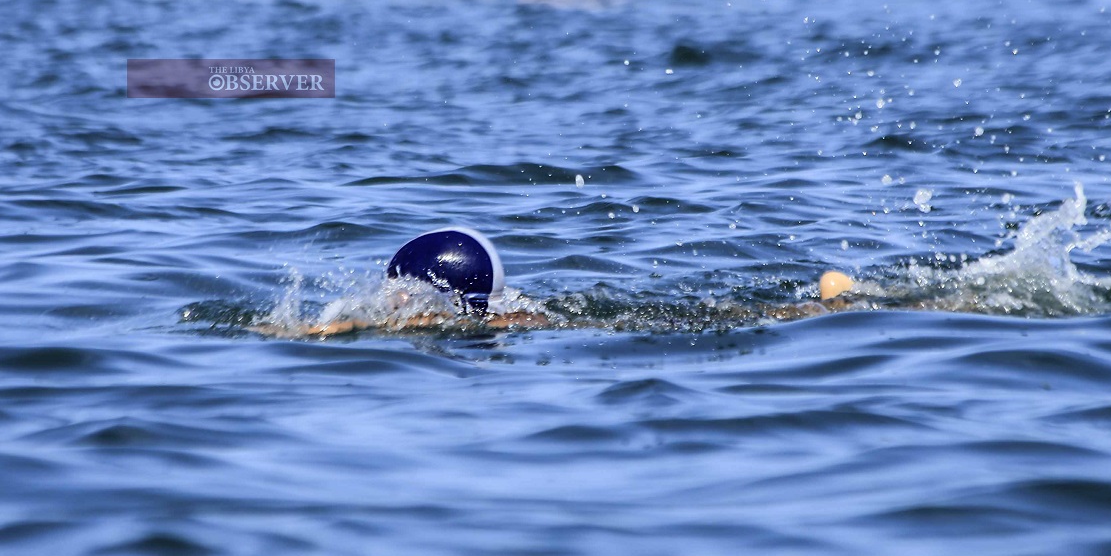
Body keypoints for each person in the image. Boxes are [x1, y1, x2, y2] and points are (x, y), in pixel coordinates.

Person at [251, 228, 859, 337]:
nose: (390, 296)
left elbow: (358, 324)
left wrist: (315, 329)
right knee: (725, 315)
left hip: (603, 326)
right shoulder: (497, 312)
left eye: (399, 287)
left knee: (725, 318)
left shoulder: (439, 320)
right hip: (594, 322)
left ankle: (824, 307)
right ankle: (822, 304)